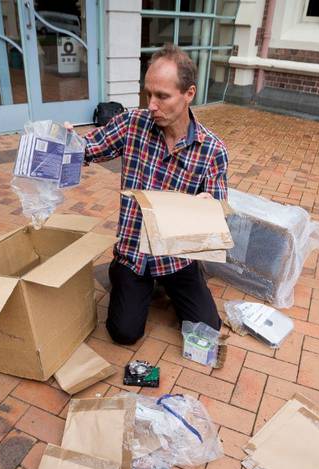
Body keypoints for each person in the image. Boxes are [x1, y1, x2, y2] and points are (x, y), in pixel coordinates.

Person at [68, 44, 228, 345]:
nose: (151, 105)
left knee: (207, 331)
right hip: (134, 256)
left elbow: (218, 210)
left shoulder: (212, 150)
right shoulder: (133, 124)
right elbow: (86, 148)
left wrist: (209, 210)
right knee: (124, 333)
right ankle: (124, 276)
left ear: (189, 93)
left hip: (177, 259)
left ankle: (175, 285)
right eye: (148, 94)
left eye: (162, 96)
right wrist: (64, 143)